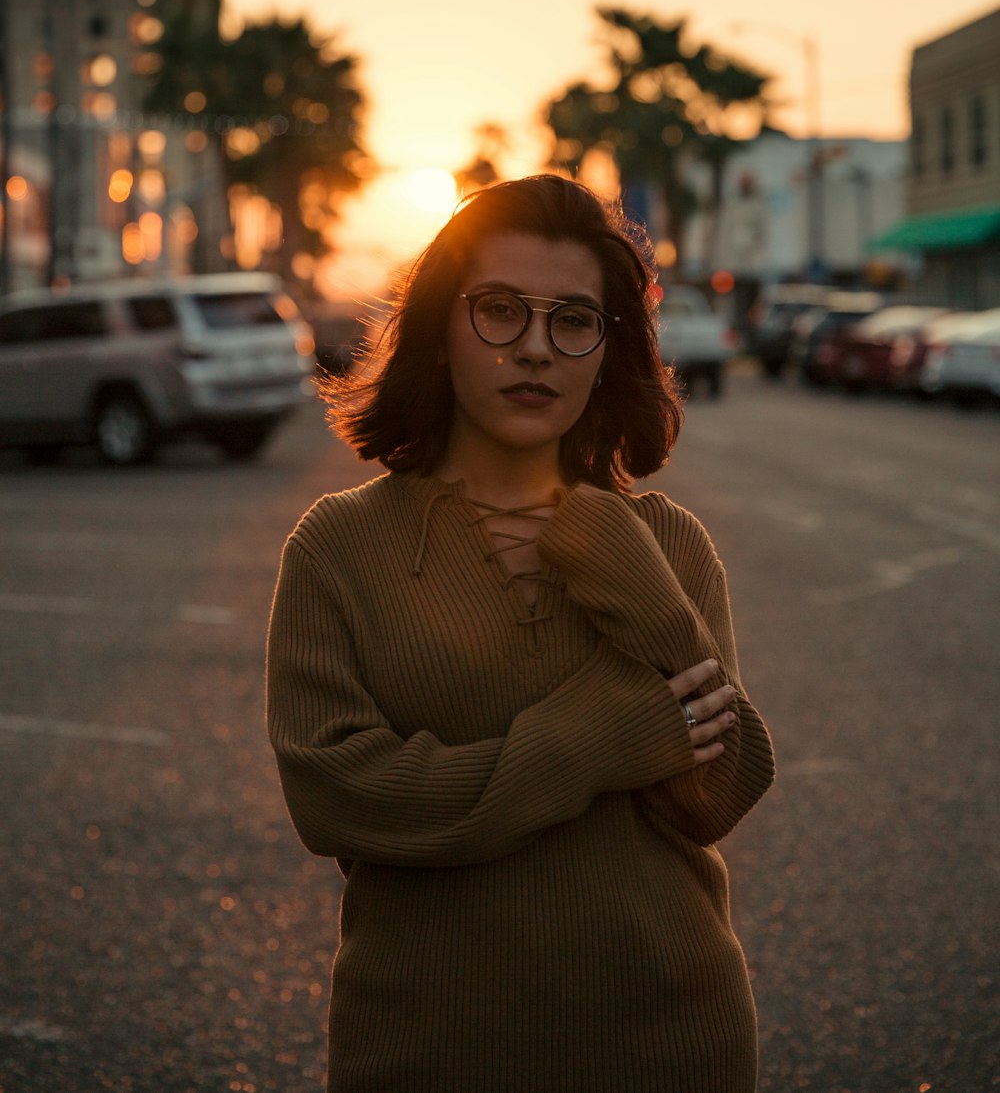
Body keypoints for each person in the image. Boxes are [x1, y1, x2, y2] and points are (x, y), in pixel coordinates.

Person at [266, 174, 775, 1093]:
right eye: (499, 310)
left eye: (574, 320)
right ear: (440, 328)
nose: (536, 347)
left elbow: (721, 791)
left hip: (674, 1043)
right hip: (426, 1052)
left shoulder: (667, 542)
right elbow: (341, 800)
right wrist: (592, 741)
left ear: (607, 347)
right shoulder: (338, 548)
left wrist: (631, 572)